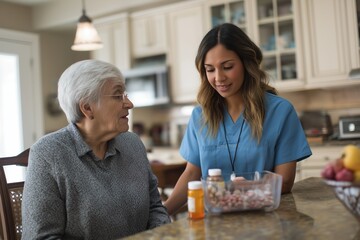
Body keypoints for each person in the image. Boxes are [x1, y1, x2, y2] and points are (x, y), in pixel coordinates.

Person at [164, 23, 312, 215]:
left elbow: (284, 182)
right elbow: (192, 173)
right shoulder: (199, 116)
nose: (219, 78)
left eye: (227, 67)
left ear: (246, 63)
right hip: (214, 226)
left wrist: (242, 188)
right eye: (210, 70)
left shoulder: (280, 111)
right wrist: (163, 211)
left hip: (267, 221)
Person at [22, 59, 171, 239]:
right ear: (87, 108)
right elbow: (41, 237)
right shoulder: (48, 154)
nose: (129, 103)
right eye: (118, 96)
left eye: (125, 94)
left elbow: (155, 207)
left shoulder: (133, 144)